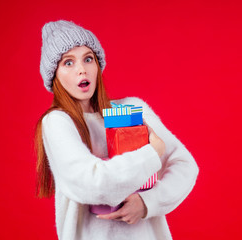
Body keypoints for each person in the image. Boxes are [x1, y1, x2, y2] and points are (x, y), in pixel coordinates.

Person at [35, 20, 199, 240]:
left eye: (88, 59)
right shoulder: (57, 122)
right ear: (55, 76)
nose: (81, 69)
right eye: (68, 63)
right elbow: (93, 183)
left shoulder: (133, 107)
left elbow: (185, 165)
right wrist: (152, 153)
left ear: (98, 66)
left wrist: (146, 203)